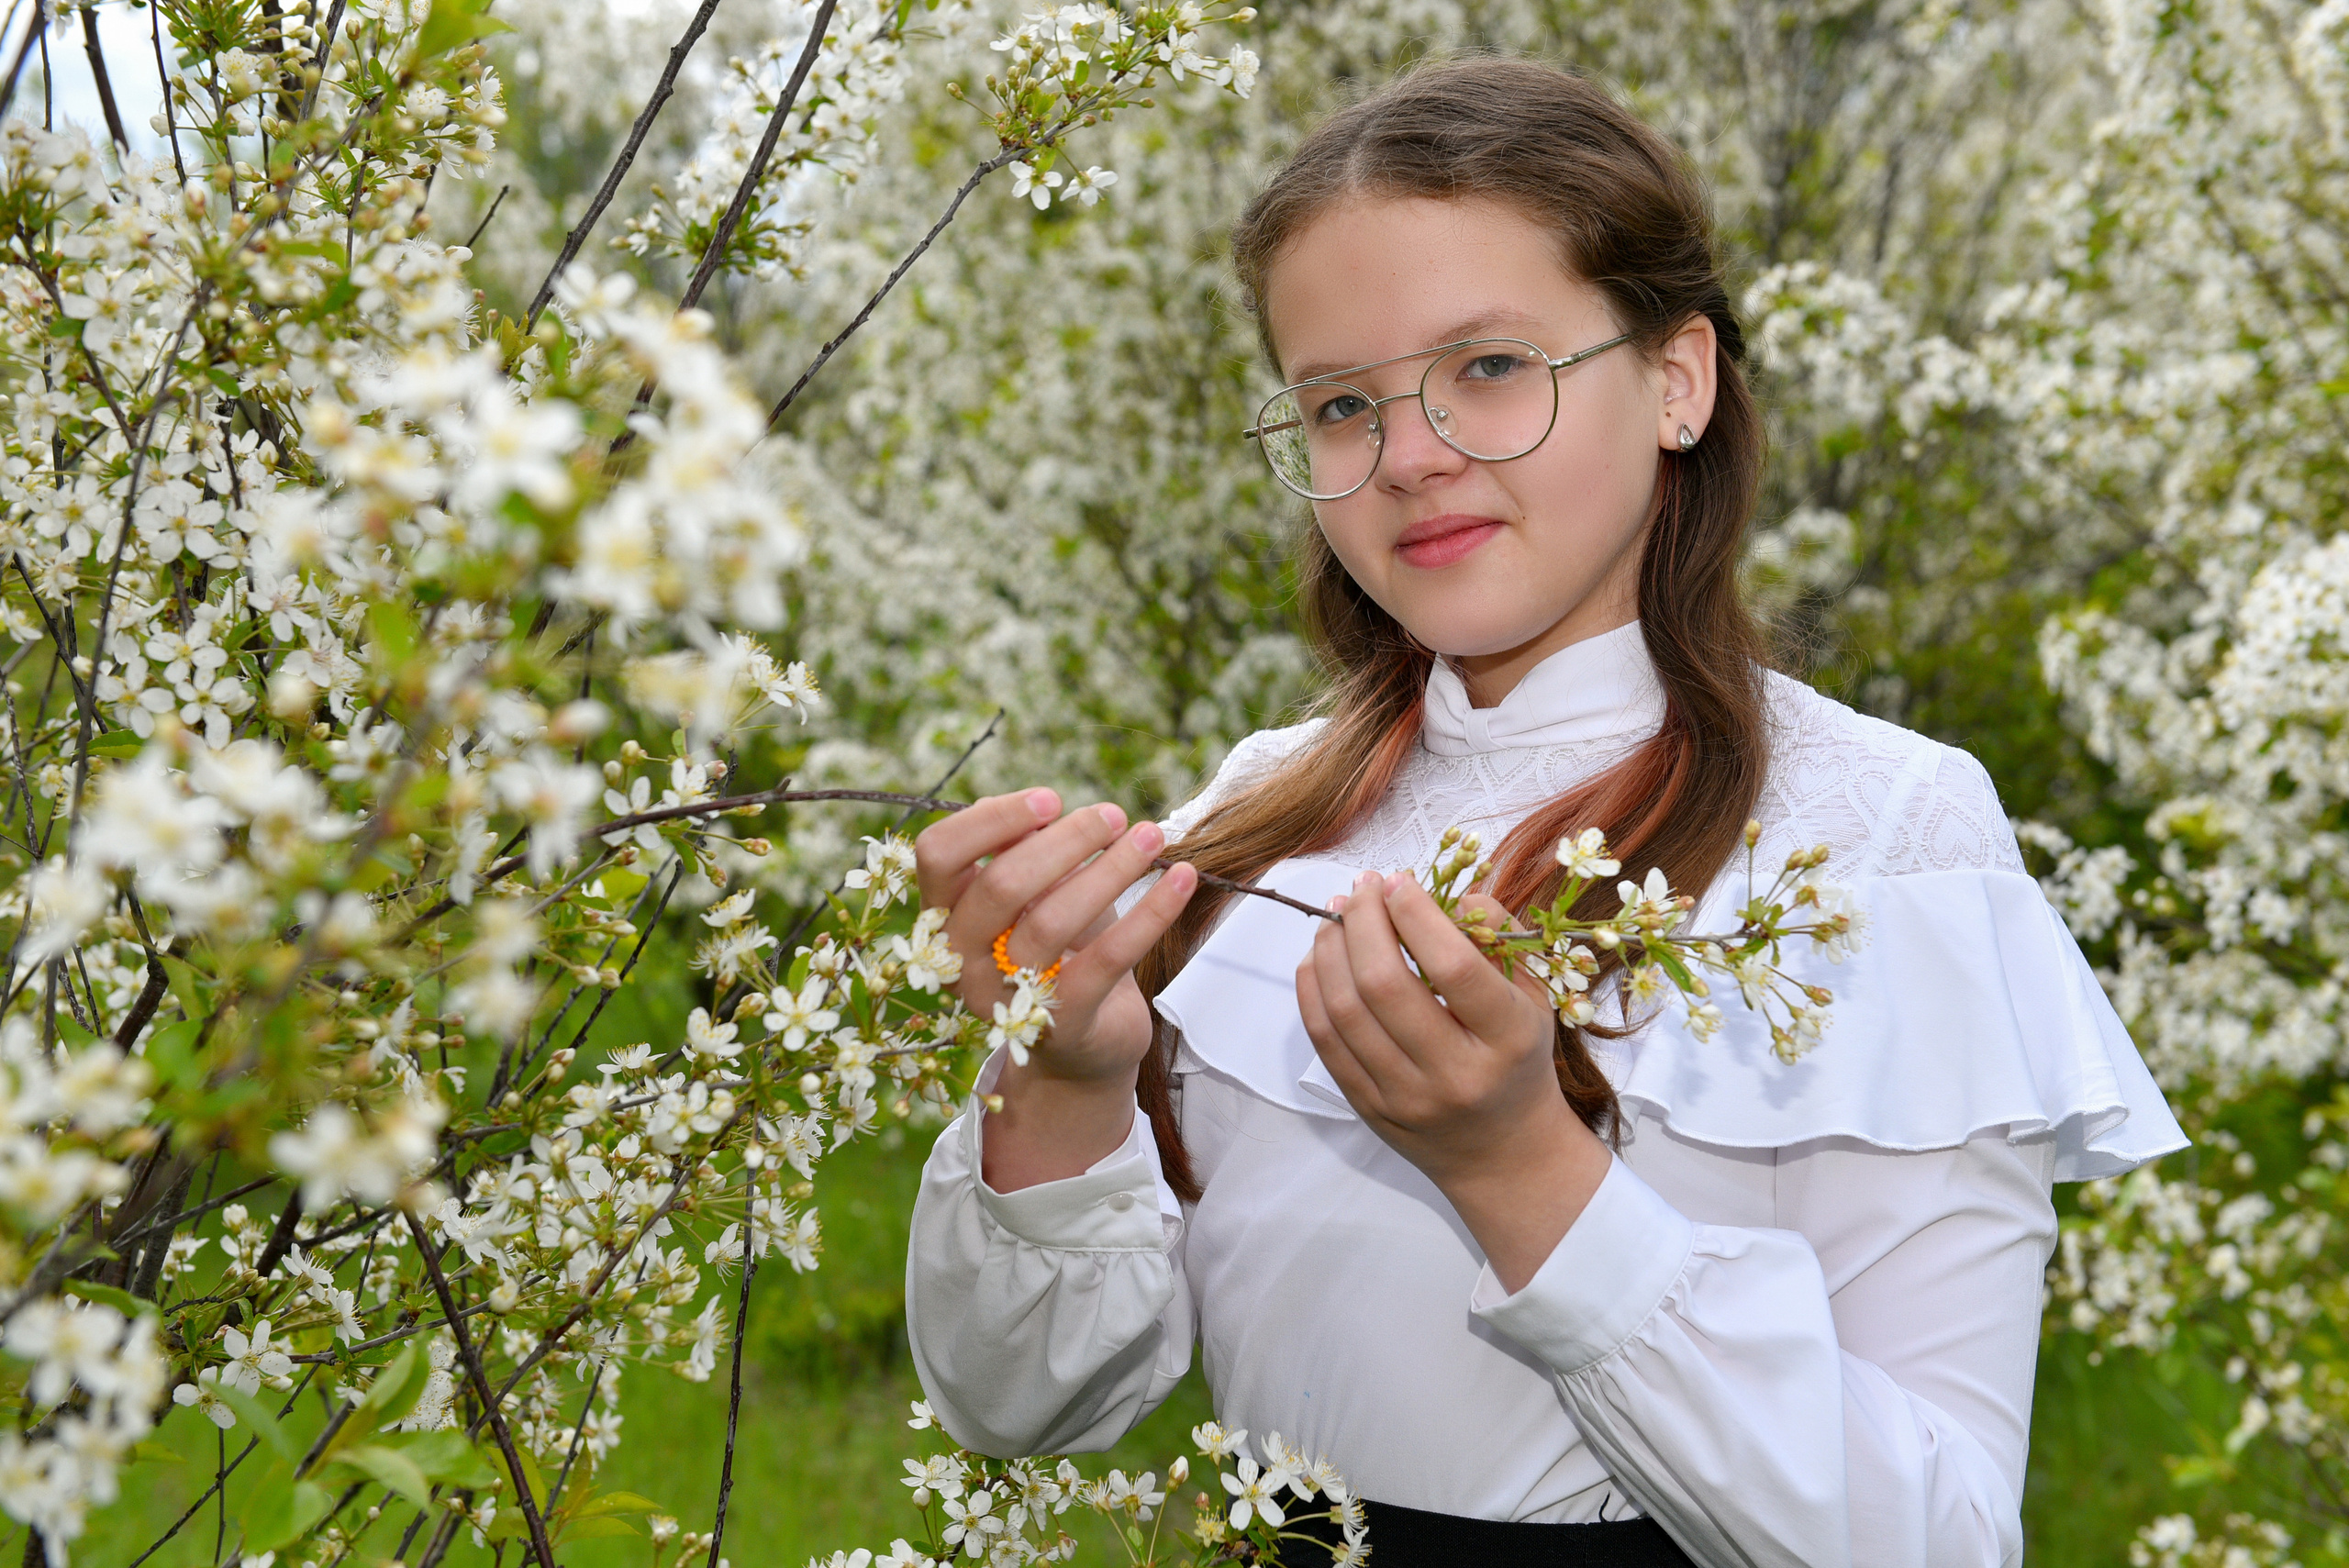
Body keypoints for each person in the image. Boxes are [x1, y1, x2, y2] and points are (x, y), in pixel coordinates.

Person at [900, 57, 2185, 1568]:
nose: (1410, 455)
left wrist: (1522, 1170)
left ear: (1678, 380)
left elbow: (1940, 1541)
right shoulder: (1258, 820)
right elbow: (1021, 1403)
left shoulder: (1884, 835)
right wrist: (1061, 1079)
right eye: (1340, 404)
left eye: (1492, 366)